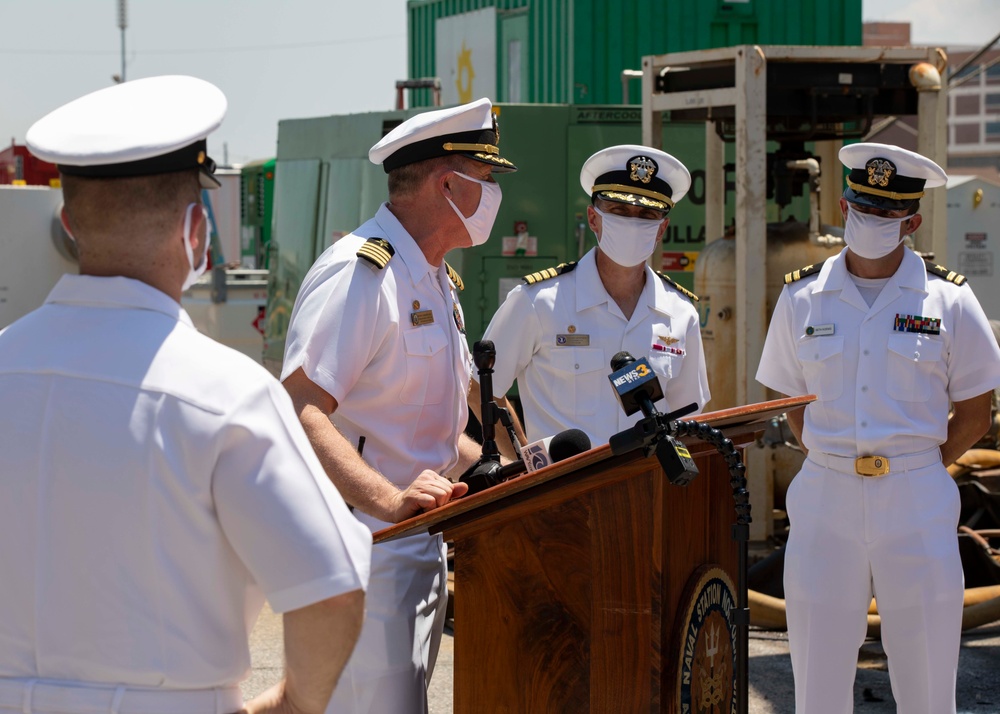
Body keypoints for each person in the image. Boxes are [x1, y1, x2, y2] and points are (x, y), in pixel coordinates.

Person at [0, 76, 372, 714]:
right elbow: (331, 588)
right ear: (196, 231)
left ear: (68, 225)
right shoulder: (228, 394)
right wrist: (293, 704)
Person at [280, 97, 517, 713]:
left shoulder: (434, 278)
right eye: (486, 180)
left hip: (420, 541)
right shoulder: (363, 274)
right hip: (368, 549)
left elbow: (431, 432)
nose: (493, 195)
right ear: (448, 184)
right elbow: (301, 407)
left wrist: (518, 474)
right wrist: (391, 501)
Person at [756, 142, 1000, 714]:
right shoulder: (801, 295)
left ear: (911, 221)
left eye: (887, 214)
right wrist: (823, 449)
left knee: (928, 679)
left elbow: (975, 414)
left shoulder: (950, 299)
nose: (871, 222)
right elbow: (789, 394)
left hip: (915, 497)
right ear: (843, 207)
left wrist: (919, 467)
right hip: (825, 496)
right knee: (817, 677)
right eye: (862, 208)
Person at [477, 144, 710, 451]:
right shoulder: (539, 302)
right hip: (565, 490)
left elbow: (689, 415)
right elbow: (480, 388)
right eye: (620, 211)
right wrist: (523, 463)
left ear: (661, 228)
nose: (633, 222)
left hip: (647, 488)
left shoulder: (680, 314)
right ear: (593, 218)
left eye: (646, 215)